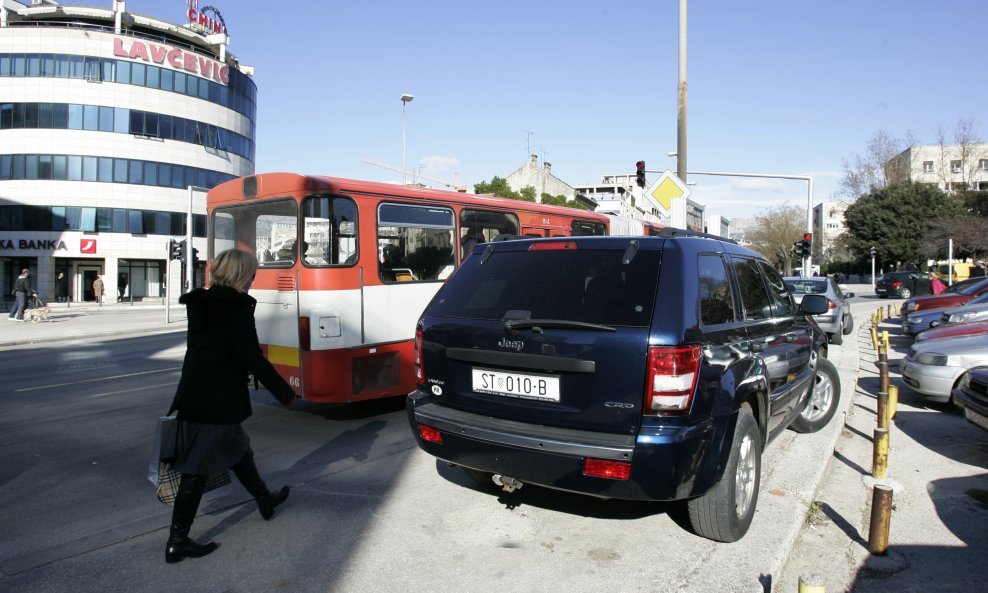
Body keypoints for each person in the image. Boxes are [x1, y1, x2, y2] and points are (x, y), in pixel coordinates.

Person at [164, 248, 295, 564]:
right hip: (215, 400)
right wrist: (285, 392)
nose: (253, 279)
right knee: (195, 471)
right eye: (251, 273)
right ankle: (177, 541)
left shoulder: (204, 305)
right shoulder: (233, 309)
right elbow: (251, 358)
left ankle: (264, 500)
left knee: (239, 450)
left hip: (199, 393)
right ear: (241, 275)